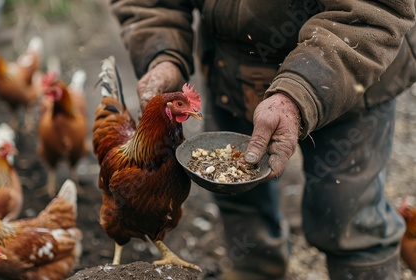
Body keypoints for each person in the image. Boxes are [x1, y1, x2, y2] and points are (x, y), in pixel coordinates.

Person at [110, 1, 416, 279]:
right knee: (240, 197)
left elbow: (371, 12)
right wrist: (163, 53)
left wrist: (299, 91)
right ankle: (257, 268)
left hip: (352, 65)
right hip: (230, 66)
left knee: (348, 214)